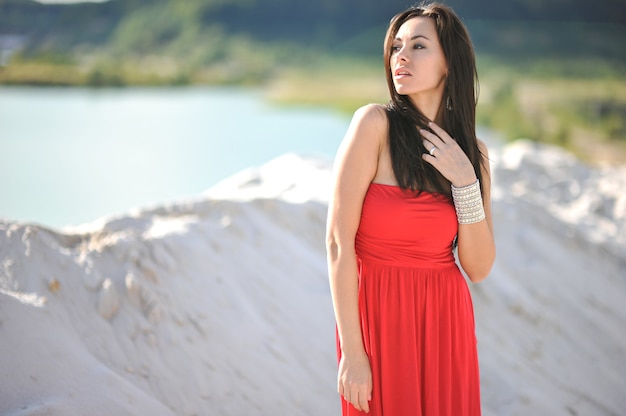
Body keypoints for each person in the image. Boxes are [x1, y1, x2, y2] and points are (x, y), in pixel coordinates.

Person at [326, 3, 496, 415]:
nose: (400, 56)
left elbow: (477, 266)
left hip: (444, 321)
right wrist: (352, 351)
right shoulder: (374, 126)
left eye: (418, 46)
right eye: (396, 46)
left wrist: (466, 183)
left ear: (449, 65)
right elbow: (337, 243)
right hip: (378, 321)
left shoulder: (473, 155)